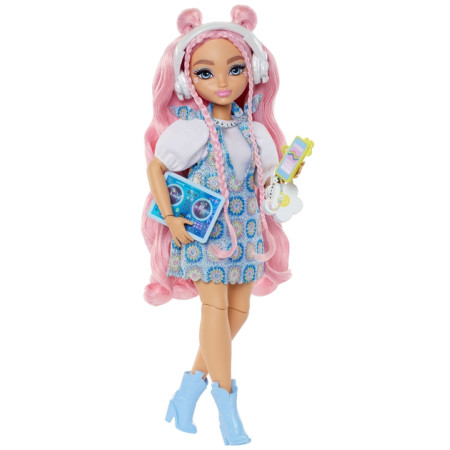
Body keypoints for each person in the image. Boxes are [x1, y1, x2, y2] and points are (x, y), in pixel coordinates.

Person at [142, 5, 302, 445]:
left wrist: (284, 182)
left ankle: (186, 393)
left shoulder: (256, 131)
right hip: (205, 233)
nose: (223, 82)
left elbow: (266, 182)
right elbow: (157, 169)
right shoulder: (191, 130)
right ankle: (227, 409)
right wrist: (170, 217)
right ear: (187, 81)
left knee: (238, 312)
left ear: (253, 71)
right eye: (205, 73)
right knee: (214, 310)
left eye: (235, 69)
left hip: (247, 233)